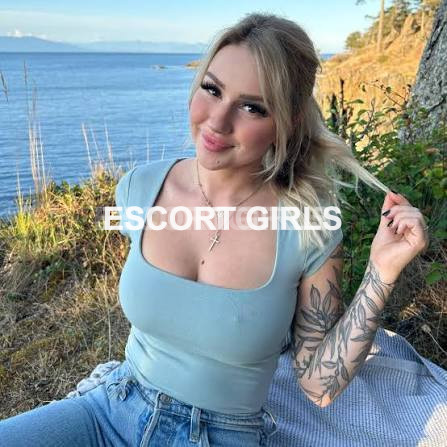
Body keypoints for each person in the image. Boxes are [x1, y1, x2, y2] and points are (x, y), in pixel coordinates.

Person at [0, 12, 432, 447]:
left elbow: (319, 386)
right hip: (110, 407)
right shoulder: (140, 189)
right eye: (212, 89)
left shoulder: (308, 226)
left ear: (286, 123)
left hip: (218, 434)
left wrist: (382, 273)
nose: (217, 121)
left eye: (252, 107)